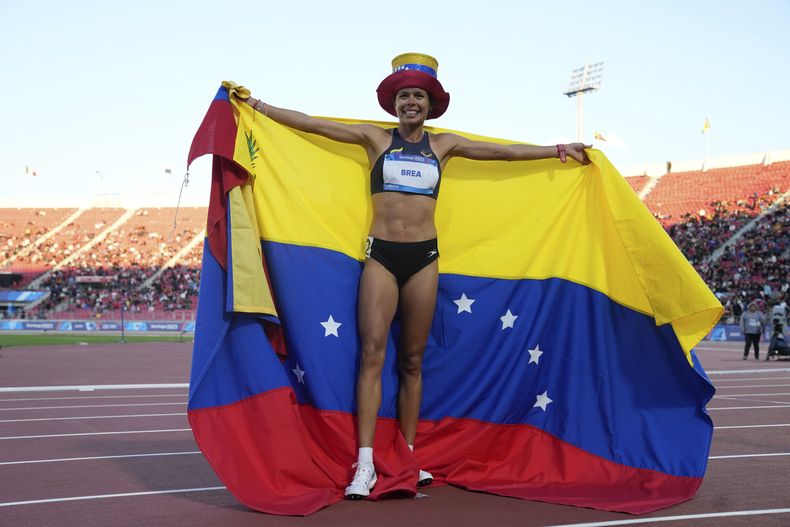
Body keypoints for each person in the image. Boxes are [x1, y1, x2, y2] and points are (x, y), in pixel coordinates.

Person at [238, 52, 591, 499]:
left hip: (424, 259)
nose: (411, 102)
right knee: (371, 354)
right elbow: (312, 124)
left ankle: (406, 455)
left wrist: (556, 150)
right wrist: (258, 107)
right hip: (382, 257)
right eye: (404, 95)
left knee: (412, 361)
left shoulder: (443, 146)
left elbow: (504, 153)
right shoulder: (374, 138)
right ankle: (365, 463)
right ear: (394, 102)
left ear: (430, 104)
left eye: (419, 97)